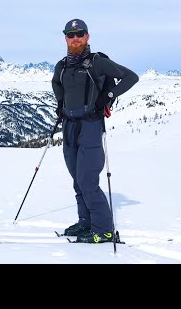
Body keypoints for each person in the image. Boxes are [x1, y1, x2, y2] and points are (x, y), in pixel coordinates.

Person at [52, 18, 139, 243]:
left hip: (90, 126)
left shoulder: (97, 62)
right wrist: (60, 106)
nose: (75, 38)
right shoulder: (61, 66)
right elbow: (57, 85)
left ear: (87, 36)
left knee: (87, 179)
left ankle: (104, 230)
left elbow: (131, 77)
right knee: (77, 179)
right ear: (65, 38)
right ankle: (86, 223)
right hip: (69, 127)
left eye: (79, 34)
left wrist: (108, 96)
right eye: (70, 35)